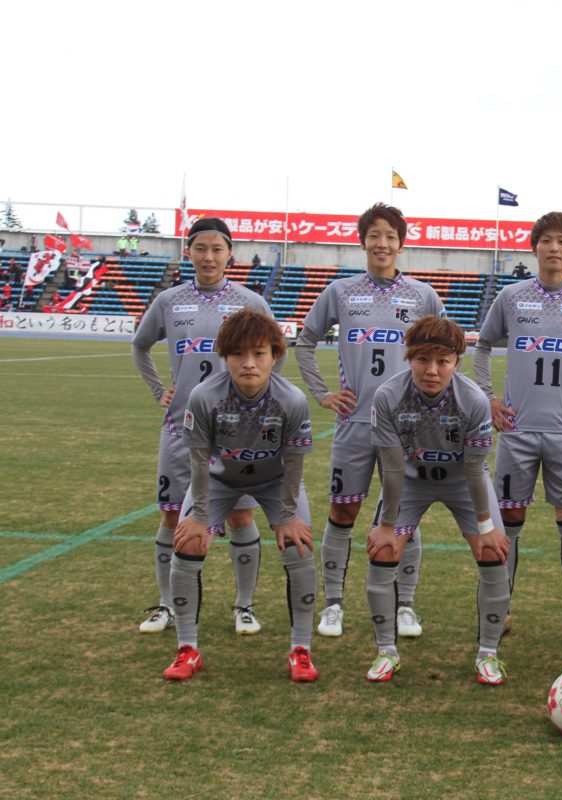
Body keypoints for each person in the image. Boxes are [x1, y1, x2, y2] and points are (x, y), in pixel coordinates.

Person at [294, 203, 445, 640]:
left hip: (409, 427)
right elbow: (304, 344)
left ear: (401, 243)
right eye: (374, 235)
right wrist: (323, 393)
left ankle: (405, 605)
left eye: (390, 236)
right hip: (355, 424)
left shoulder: (423, 295)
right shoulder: (340, 292)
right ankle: (334, 605)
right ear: (363, 241)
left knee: (404, 514)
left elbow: (443, 358)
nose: (382, 244)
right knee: (344, 510)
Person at [473, 211, 562, 632]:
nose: (554, 248)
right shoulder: (512, 297)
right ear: (534, 247)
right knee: (508, 525)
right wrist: (489, 398)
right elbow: (481, 349)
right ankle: (498, 613)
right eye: (546, 241)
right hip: (516, 431)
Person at [132, 217, 275, 636]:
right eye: (201, 248)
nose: (209, 256)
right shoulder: (169, 301)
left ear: (230, 253)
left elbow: (275, 353)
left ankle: (244, 606)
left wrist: (255, 392)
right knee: (172, 515)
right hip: (181, 428)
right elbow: (140, 346)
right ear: (189, 252)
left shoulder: (250, 302)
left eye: (217, 249)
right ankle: (167, 605)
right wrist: (161, 389)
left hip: (237, 432)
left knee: (240, 517)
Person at [163, 308, 318, 682]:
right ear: (224, 356)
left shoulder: (292, 400)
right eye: (238, 354)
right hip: (219, 481)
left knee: (299, 545)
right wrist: (199, 515)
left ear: (275, 356)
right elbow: (199, 461)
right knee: (187, 543)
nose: (249, 363)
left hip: (275, 482)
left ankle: (301, 649)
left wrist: (287, 515)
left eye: (259, 353)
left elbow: (294, 463)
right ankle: (187, 648)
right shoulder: (204, 397)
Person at [365, 316, 511, 685]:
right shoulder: (388, 396)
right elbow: (393, 469)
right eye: (423, 360)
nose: (432, 370)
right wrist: (386, 527)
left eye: (443, 361)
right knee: (383, 550)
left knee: (492, 552)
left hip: (463, 481)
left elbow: (476, 470)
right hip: (411, 479)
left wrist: (486, 528)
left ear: (456, 363)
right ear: (409, 358)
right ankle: (386, 651)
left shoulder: (474, 401)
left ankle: (488, 654)